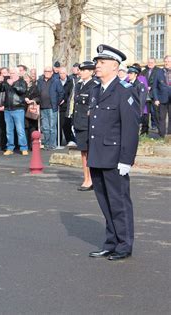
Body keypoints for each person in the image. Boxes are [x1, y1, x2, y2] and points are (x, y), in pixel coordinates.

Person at [87, 45, 140, 261]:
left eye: (102, 62)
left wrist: (126, 159)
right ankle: (111, 242)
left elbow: (130, 128)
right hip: (98, 155)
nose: (97, 65)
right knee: (105, 203)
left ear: (114, 66)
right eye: (97, 62)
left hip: (114, 158)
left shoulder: (124, 91)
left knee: (119, 203)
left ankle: (124, 245)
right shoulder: (96, 89)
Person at [72, 61, 99, 191]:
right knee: (83, 152)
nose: (81, 72)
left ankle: (90, 179)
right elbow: (76, 105)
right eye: (80, 70)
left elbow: (93, 106)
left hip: (88, 123)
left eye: (83, 70)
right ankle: (86, 178)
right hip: (79, 122)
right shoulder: (78, 85)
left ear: (91, 72)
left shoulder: (94, 86)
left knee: (89, 152)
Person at [0, 67, 28, 156]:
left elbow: (22, 91)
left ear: (18, 74)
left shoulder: (22, 82)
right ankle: (10, 147)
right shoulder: (6, 82)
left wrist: (13, 84)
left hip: (18, 109)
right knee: (9, 130)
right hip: (8, 109)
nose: (11, 75)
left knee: (20, 130)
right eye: (10, 73)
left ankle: (23, 147)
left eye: (13, 73)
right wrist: (0, 82)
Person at [36, 67, 64, 150]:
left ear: (52, 72)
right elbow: (37, 93)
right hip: (43, 107)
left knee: (52, 127)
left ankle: (52, 145)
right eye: (45, 71)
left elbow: (61, 93)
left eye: (49, 71)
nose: (47, 72)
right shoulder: (40, 82)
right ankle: (47, 144)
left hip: (52, 107)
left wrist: (57, 102)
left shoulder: (56, 81)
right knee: (45, 127)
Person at [153, 55, 171, 138]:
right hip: (162, 99)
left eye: (169, 61)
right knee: (161, 118)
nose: (167, 63)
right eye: (166, 61)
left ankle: (170, 135)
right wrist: (156, 99)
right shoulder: (158, 72)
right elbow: (155, 87)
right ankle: (162, 135)